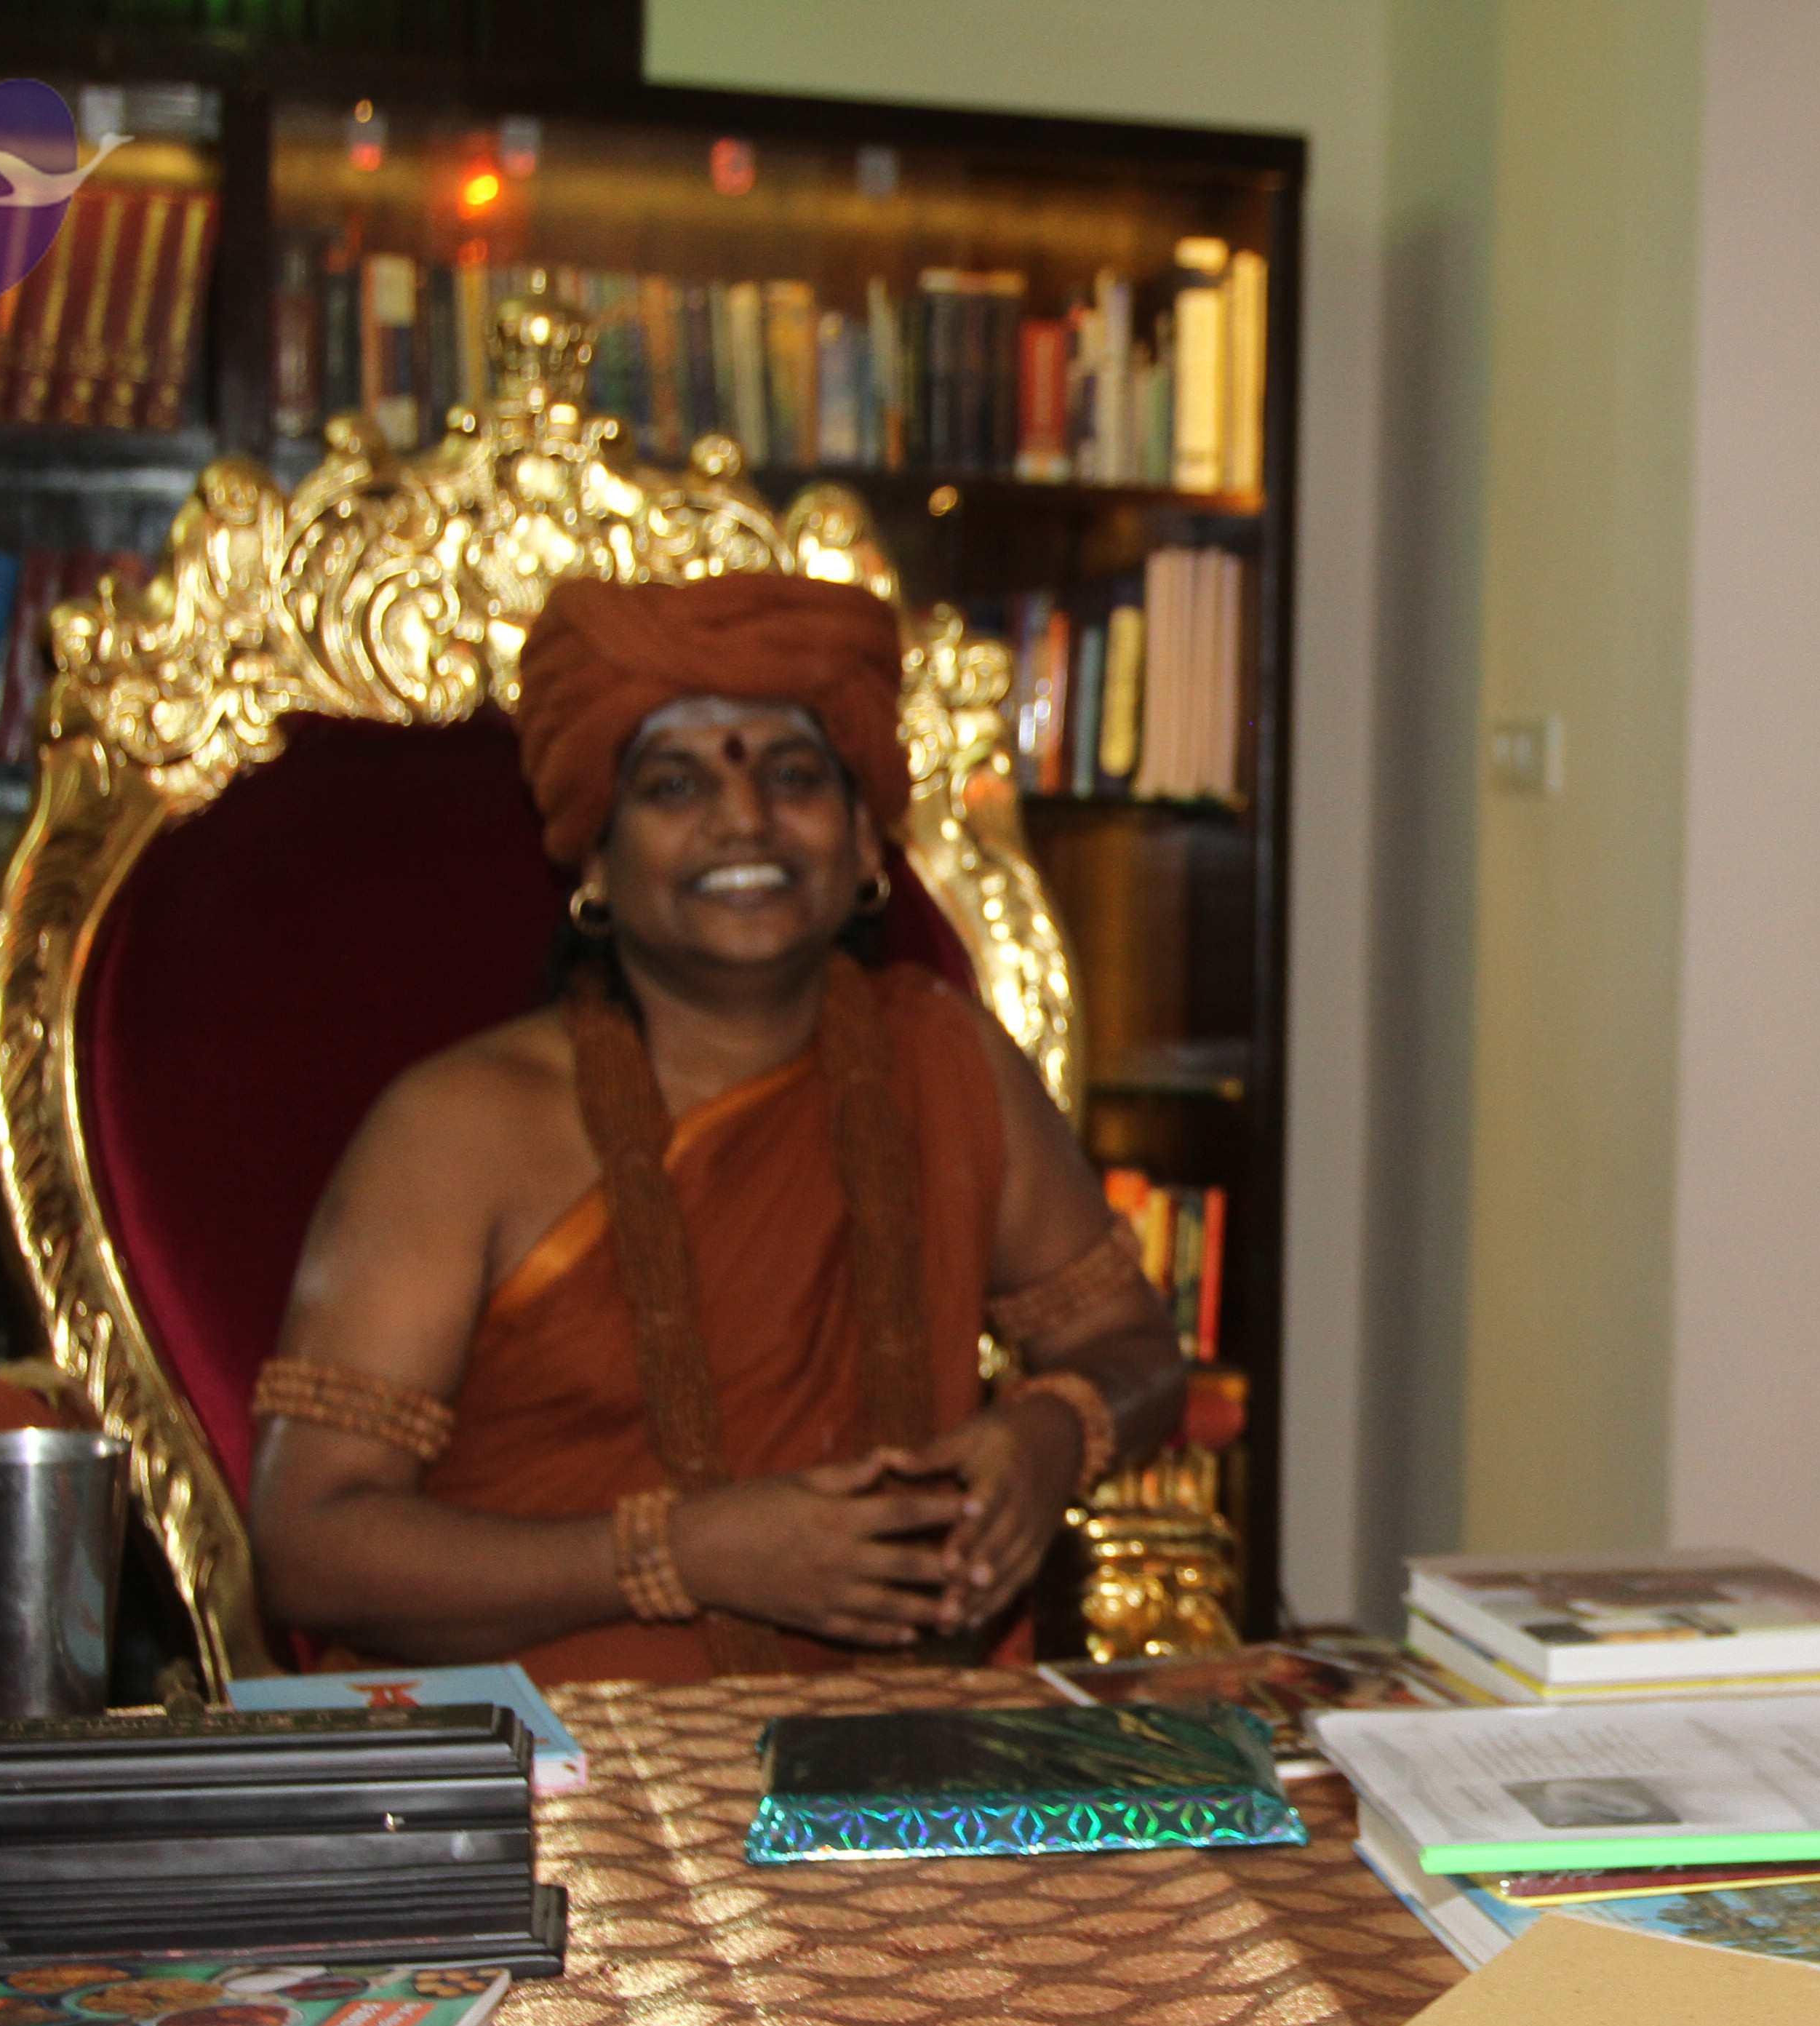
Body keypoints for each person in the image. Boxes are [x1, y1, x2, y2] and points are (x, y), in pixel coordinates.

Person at [246, 572, 1184, 1684]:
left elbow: (1134, 1353)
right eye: (676, 785)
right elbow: (312, 1547)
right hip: (538, 1752)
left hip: (892, 1749)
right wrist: (682, 1555)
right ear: (596, 865)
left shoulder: (948, 1060)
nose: (743, 820)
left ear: (867, 846)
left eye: (793, 776)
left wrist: (1051, 1435)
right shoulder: (458, 1128)